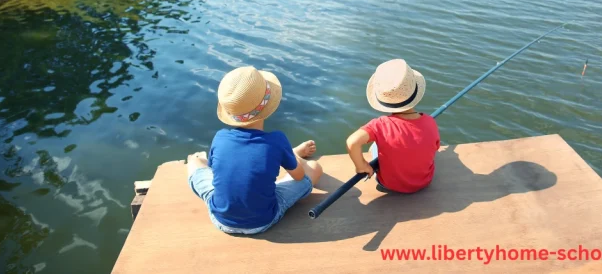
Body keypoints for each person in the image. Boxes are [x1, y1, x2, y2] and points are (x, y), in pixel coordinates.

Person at [187, 66, 322, 234]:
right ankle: (292, 155)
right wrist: (291, 155)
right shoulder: (277, 140)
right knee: (315, 168)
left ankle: (288, 156)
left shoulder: (220, 137)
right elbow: (299, 176)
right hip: (262, 221)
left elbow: (215, 172)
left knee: (195, 160)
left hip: (220, 218)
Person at [345, 59, 440, 193]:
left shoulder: (380, 125)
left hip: (388, 185)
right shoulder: (430, 121)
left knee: (374, 145)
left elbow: (352, 142)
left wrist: (362, 166)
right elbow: (434, 147)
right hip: (424, 182)